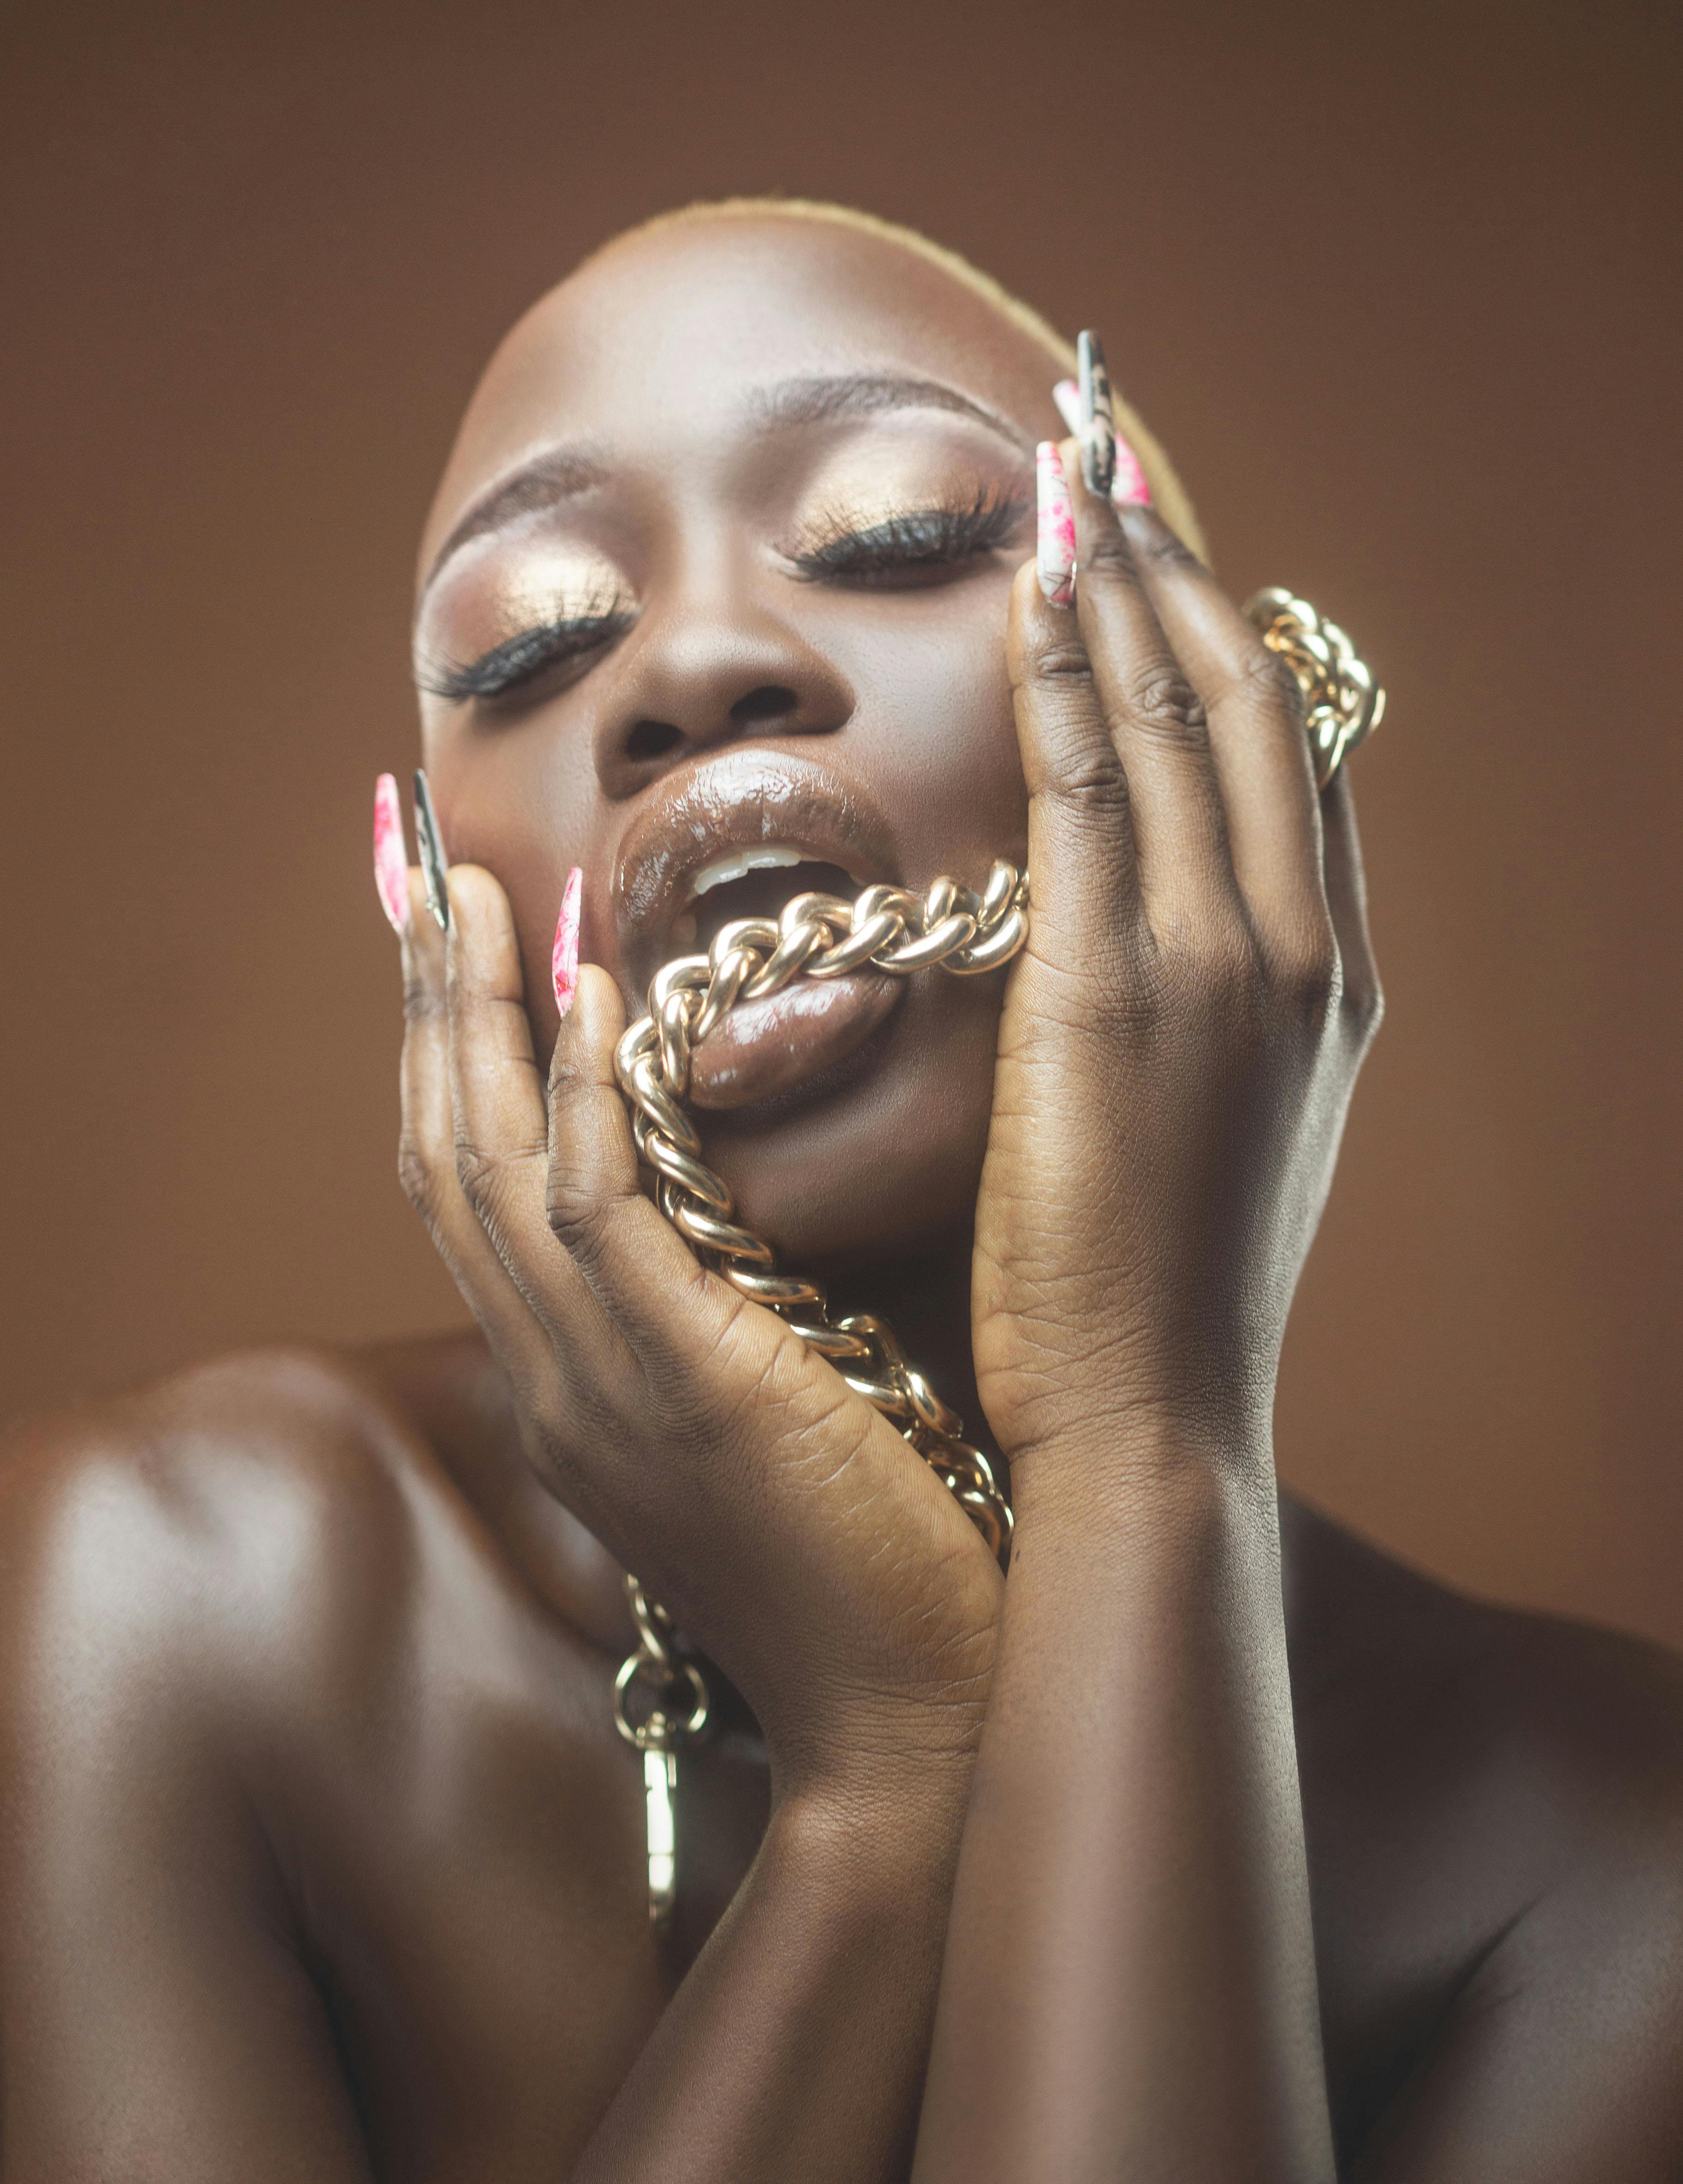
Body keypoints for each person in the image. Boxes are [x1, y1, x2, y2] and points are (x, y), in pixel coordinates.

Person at [2, 197, 1680, 2184]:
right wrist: (881, 1791)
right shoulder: (153, 1602)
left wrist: (1145, 1448)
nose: (692, 664)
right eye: (527, 642)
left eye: (899, 533)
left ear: (1220, 711)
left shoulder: (1603, 1860)